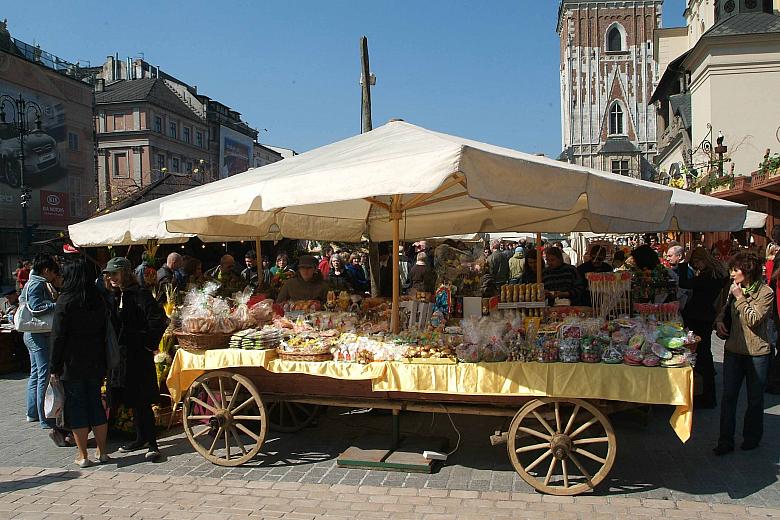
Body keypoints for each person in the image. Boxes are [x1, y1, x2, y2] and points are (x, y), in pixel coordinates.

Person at [104, 257, 168, 462]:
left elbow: (158, 320)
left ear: (124, 272)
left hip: (137, 355)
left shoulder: (140, 293)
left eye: (114, 273)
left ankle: (151, 443)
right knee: (131, 399)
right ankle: (139, 438)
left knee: (142, 400)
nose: (111, 278)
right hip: (120, 357)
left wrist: (148, 344)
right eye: (109, 274)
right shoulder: (114, 296)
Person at [50, 259, 110, 467]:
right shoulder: (98, 299)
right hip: (96, 359)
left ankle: (83, 455)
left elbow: (57, 337)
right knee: (95, 404)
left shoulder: (65, 301)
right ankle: (103, 452)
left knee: (77, 407)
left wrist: (53, 366)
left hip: (71, 362)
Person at [713, 251, 773, 455]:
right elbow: (725, 310)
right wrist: (720, 321)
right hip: (733, 350)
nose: (732, 274)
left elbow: (754, 319)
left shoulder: (765, 293)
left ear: (748, 271)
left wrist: (740, 297)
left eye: (735, 270)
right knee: (728, 396)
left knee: (755, 399)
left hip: (757, 353)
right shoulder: (734, 289)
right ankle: (725, 440)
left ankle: (752, 437)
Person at [677, 247, 728, 409]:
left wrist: (684, 263)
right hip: (706, 316)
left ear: (701, 260)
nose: (696, 266)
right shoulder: (718, 274)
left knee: (701, 355)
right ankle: (707, 394)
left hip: (698, 316)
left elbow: (684, 283)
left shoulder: (706, 276)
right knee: (704, 354)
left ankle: (706, 396)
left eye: (696, 262)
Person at [21, 253, 61, 436]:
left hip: (31, 335)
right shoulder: (37, 283)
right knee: (43, 376)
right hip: (38, 335)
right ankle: (44, 418)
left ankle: (33, 413)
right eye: (53, 272)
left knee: (36, 374)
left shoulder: (31, 281)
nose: (54, 276)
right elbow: (36, 308)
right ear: (46, 270)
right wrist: (55, 304)